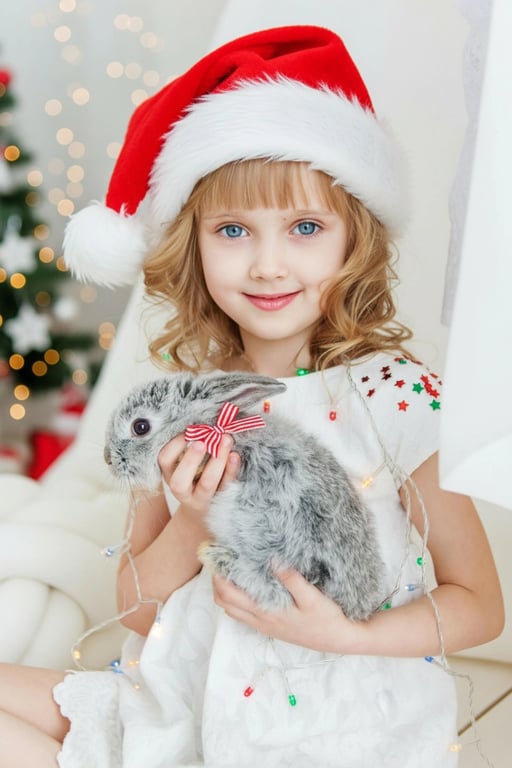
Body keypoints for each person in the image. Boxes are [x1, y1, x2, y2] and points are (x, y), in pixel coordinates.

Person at [0, 25, 504, 768]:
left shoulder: (394, 398)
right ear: (194, 245)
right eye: (234, 230)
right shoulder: (174, 404)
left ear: (351, 241)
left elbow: (480, 605)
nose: (269, 265)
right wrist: (195, 513)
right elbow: (139, 609)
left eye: (304, 227)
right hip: (183, 698)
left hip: (329, 728)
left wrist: (347, 635)